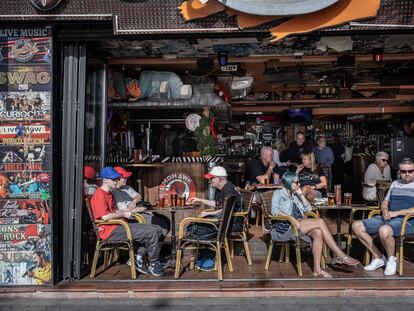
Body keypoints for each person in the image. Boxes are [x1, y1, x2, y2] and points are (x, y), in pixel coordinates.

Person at [271, 171, 359, 278]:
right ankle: (340, 254)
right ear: (289, 183)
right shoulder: (278, 193)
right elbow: (274, 211)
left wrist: (301, 195)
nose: (299, 184)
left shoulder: (294, 194)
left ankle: (317, 269)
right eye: (297, 182)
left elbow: (308, 209)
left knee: (318, 232)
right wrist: (291, 218)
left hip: (299, 225)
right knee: (320, 221)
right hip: (285, 228)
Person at [90, 166, 165, 277]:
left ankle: (139, 258)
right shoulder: (100, 194)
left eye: (116, 178)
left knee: (158, 229)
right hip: (109, 230)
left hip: (119, 225)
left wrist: (124, 213)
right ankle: (153, 263)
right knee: (152, 232)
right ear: (105, 180)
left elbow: (113, 211)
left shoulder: (109, 193)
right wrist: (124, 214)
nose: (116, 181)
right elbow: (105, 217)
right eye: (113, 179)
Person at [352, 158, 414, 276]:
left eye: (410, 171)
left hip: (407, 221)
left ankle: (391, 259)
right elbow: (385, 202)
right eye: (404, 171)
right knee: (356, 226)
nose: (407, 174)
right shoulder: (395, 184)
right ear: (399, 171)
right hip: (388, 217)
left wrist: (396, 213)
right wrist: (385, 210)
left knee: (384, 230)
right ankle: (379, 257)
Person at [112, 166, 170, 239]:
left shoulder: (127, 188)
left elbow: (139, 196)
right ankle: (149, 246)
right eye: (124, 177)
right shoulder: (114, 192)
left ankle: (153, 245)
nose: (126, 179)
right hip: (133, 217)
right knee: (162, 224)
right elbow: (124, 210)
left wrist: (134, 201)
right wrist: (141, 208)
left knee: (166, 219)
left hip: (140, 213)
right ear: (117, 178)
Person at [189, 166, 243, 232]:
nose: (210, 180)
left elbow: (227, 210)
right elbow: (217, 204)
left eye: (212, 178)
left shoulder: (229, 189)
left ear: (220, 179)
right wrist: (199, 200)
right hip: (223, 220)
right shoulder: (219, 189)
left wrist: (210, 213)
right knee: (194, 224)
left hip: (232, 223)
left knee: (195, 227)